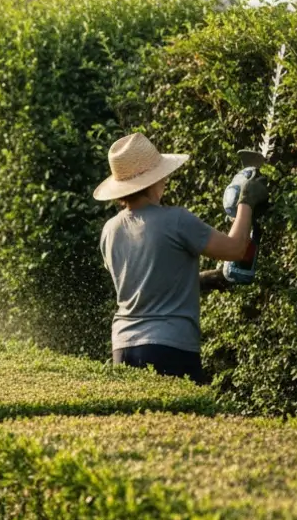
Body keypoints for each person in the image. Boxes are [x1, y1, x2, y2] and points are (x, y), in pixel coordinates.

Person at [93, 132, 268, 384]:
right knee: (186, 423)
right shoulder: (176, 220)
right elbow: (235, 249)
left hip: (122, 347)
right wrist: (246, 202)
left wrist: (198, 280)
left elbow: (141, 282)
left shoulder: (110, 229)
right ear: (153, 181)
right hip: (169, 347)